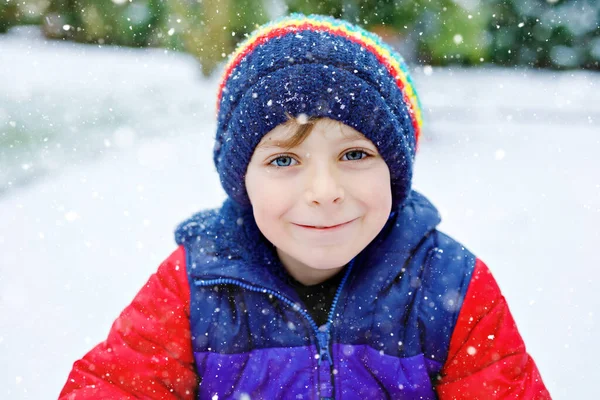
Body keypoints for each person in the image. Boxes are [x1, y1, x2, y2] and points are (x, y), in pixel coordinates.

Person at [60, 14, 550, 399]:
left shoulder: (451, 288)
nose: (324, 189)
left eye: (354, 154)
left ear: (395, 173)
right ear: (242, 181)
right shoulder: (195, 286)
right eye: (284, 158)